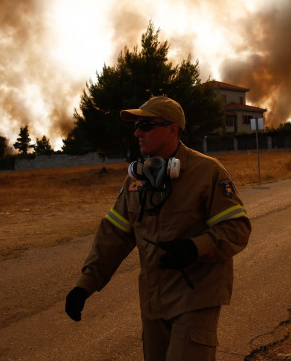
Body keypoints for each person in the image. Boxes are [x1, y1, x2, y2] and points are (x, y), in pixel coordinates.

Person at [65, 95, 252, 361]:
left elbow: (238, 229)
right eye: (136, 126)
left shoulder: (208, 172)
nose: (137, 132)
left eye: (146, 125)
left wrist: (193, 248)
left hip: (196, 299)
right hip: (154, 304)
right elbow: (114, 235)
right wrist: (84, 286)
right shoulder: (136, 179)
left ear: (172, 129)